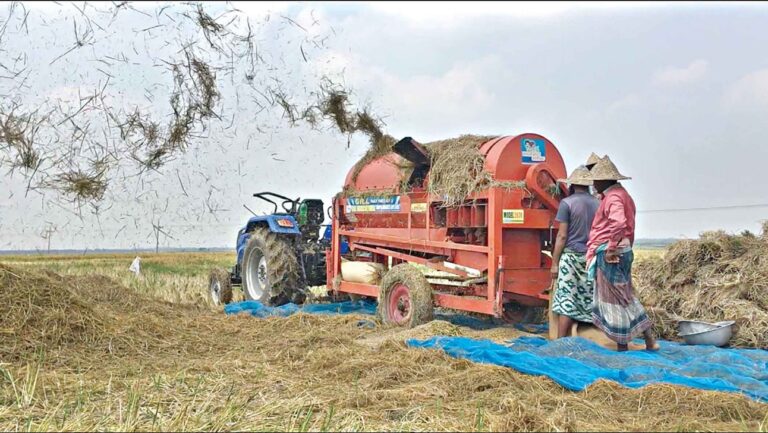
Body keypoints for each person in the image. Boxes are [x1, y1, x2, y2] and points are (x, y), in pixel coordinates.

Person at [585, 156, 659, 352]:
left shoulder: (614, 197)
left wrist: (610, 249)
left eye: (595, 180)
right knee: (624, 295)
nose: (593, 184)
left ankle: (623, 346)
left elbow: (618, 223)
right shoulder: (621, 194)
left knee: (615, 298)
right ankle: (647, 339)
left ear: (604, 180)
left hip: (613, 253)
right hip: (623, 249)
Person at [550, 165, 600, 338]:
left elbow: (562, 236)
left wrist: (555, 263)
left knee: (567, 300)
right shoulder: (598, 203)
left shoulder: (567, 203)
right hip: (591, 258)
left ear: (571, 184)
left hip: (571, 258)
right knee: (589, 299)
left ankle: (560, 341)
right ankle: (590, 338)